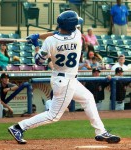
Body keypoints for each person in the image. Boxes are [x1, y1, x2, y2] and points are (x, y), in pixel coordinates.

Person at [8, 10, 120, 144]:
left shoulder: (50, 41)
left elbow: (39, 61)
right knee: (53, 116)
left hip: (62, 78)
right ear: (72, 26)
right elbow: (60, 33)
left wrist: (36, 44)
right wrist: (38, 36)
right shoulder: (77, 35)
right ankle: (19, 127)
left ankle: (101, 131)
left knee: (88, 98)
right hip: (66, 81)